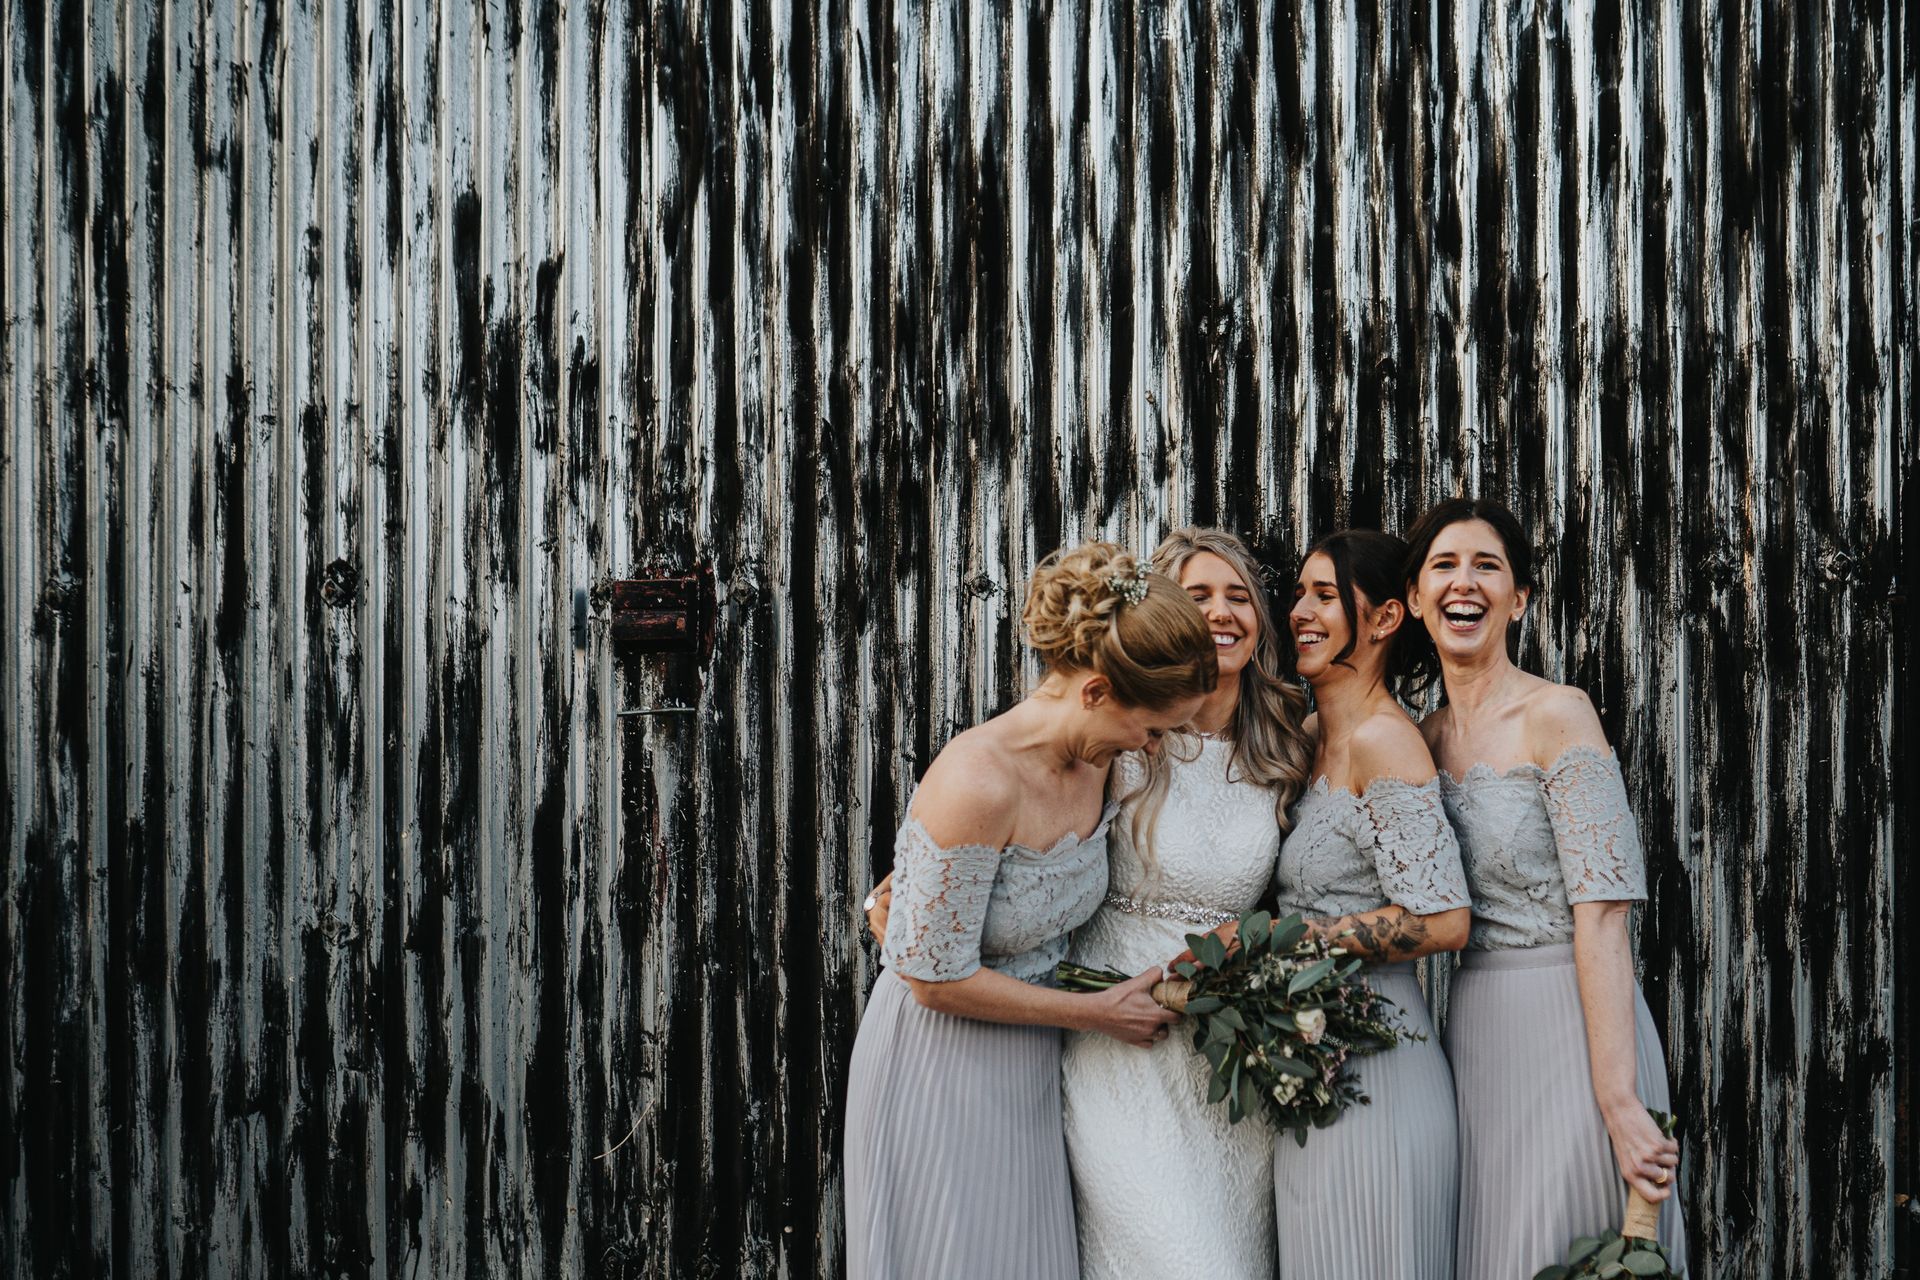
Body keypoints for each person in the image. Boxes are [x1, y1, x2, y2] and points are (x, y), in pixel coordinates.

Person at [842, 541, 1214, 1280]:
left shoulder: (1097, 762)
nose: (1155, 745)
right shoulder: (978, 779)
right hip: (940, 1065)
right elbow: (932, 979)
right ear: (1098, 691)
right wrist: (1100, 1012)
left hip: (1029, 1068)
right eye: (1154, 726)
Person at [1403, 496, 1686, 1276]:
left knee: (1564, 1238)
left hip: (1575, 1018)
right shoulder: (1418, 741)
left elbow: (1602, 916)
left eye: (1487, 566)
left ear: (1519, 598)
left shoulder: (1559, 713)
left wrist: (1619, 1099)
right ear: (1418, 598)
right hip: (1479, 1026)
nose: (1466, 583)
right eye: (1444, 566)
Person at [1266, 529, 1471, 1278]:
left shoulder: (1386, 741)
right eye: (1299, 594)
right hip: (1315, 1063)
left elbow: (1443, 919)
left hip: (1380, 1065)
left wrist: (1292, 943)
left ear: (1385, 620)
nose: (1300, 612)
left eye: (1325, 595)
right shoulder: (1314, 731)